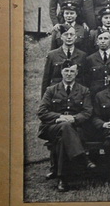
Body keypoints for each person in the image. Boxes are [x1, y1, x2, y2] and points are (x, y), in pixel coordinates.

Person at [37, 60, 95, 192]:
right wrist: (59, 118)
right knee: (65, 127)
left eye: (72, 71)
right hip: (52, 127)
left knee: (63, 138)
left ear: (76, 73)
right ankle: (83, 158)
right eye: (66, 71)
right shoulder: (51, 90)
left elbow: (87, 111)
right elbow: (42, 112)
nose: (69, 74)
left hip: (75, 127)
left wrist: (74, 118)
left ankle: (62, 179)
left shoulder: (84, 90)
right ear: (61, 72)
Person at [42, 23, 88, 93]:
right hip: (57, 94)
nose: (69, 37)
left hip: (76, 95)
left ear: (75, 37)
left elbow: (84, 79)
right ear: (61, 37)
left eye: (71, 35)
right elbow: (46, 79)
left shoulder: (82, 55)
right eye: (66, 34)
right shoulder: (52, 55)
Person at [84, 30, 110, 94]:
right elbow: (86, 79)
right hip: (95, 93)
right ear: (97, 41)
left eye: (106, 38)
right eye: (100, 39)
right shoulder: (90, 59)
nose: (103, 41)